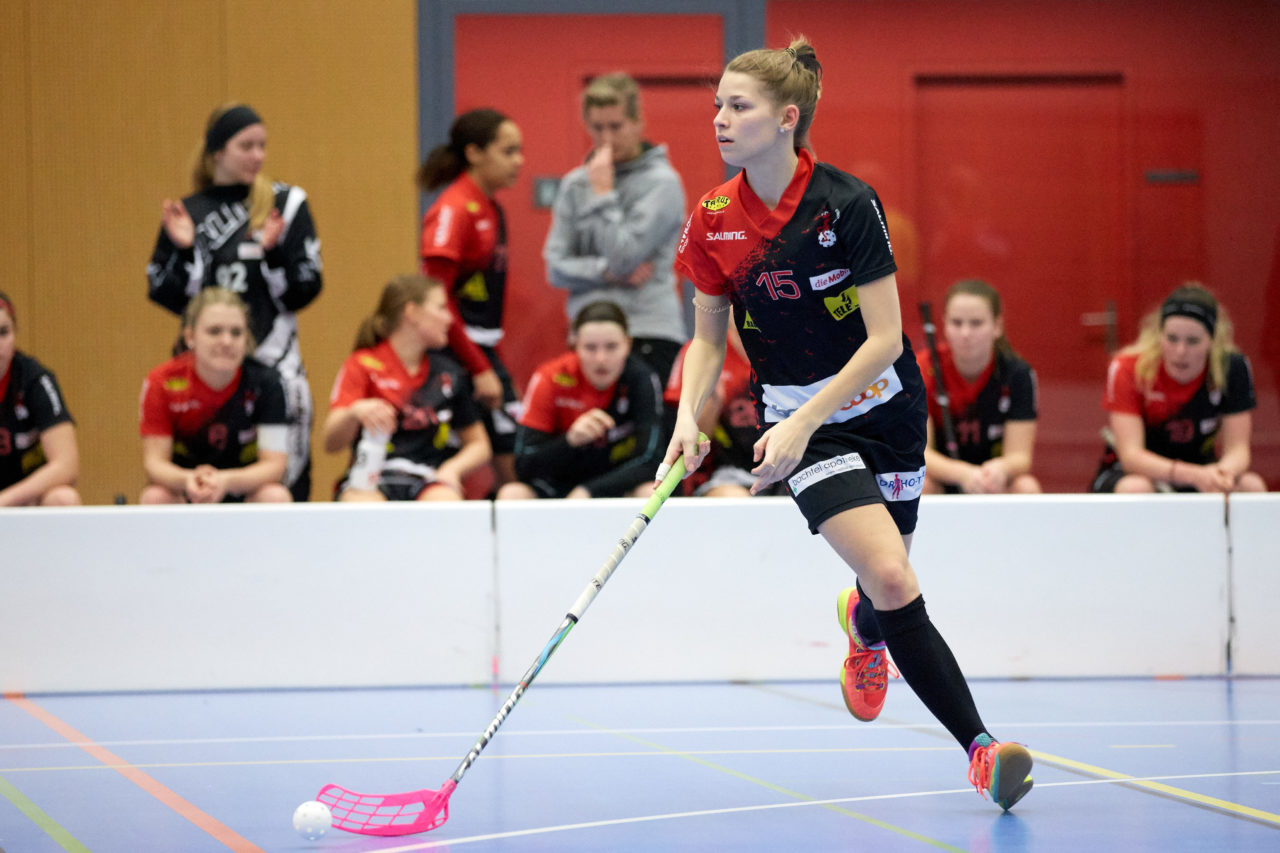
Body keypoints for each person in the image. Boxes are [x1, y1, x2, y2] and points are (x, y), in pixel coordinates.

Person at [660, 38, 1033, 810]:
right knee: (896, 574)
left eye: (740, 106)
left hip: (886, 410)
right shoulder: (715, 219)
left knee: (881, 582)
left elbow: (886, 340)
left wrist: (809, 418)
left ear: (786, 118)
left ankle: (862, 626)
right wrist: (689, 419)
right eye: (718, 105)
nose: (721, 120)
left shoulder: (848, 204)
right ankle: (982, 749)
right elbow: (706, 336)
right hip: (808, 426)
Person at [147, 103, 322, 502]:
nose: (258, 156)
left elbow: (306, 288)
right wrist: (188, 252)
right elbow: (164, 293)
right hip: (209, 365)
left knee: (281, 480)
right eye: (246, 146)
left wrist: (273, 255)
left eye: (262, 146)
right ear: (217, 152)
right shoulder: (188, 212)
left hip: (274, 361)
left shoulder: (286, 204)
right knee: (191, 475)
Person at [543, 72, 688, 385]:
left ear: (638, 123)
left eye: (616, 126)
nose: (607, 138)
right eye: (597, 128)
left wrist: (603, 195)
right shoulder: (575, 185)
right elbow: (555, 268)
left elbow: (624, 257)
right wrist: (603, 272)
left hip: (647, 331)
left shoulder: (662, 183)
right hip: (588, 334)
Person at [418, 108, 524, 493]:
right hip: (454, 355)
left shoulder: (491, 207)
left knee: (514, 452)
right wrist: (478, 367)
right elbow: (437, 298)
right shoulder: (454, 208)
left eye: (520, 151)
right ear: (475, 152)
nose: (519, 161)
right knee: (449, 459)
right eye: (508, 151)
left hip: (482, 350)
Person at [324, 274, 491, 501]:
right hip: (371, 478)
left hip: (427, 478)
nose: (449, 319)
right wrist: (355, 412)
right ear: (411, 312)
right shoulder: (362, 364)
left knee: (446, 503)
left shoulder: (448, 373)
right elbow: (331, 443)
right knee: (363, 507)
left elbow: (479, 445)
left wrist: (452, 469)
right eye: (441, 308)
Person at [1092, 282, 1266, 493]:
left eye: (1193, 341)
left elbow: (1238, 450)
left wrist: (1221, 474)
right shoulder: (1128, 367)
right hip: (1136, 472)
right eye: (1172, 338)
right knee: (1136, 488)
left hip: (1202, 467)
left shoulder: (1233, 367)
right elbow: (1131, 456)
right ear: (1159, 334)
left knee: (1251, 485)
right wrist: (1191, 475)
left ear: (1212, 340)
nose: (1180, 351)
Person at [498, 301, 664, 500]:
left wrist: (590, 490)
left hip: (614, 484)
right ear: (574, 345)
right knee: (512, 494)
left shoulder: (642, 379)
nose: (601, 358)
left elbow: (653, 459)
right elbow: (523, 465)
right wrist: (569, 441)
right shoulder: (550, 377)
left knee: (650, 491)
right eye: (590, 348)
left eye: (611, 347)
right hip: (560, 485)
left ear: (627, 345)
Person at [139, 289, 291, 504]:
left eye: (236, 332)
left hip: (241, 486)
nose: (227, 341)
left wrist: (226, 481)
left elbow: (275, 465)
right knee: (155, 497)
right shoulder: (162, 381)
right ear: (190, 336)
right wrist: (188, 480)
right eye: (215, 331)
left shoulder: (268, 383)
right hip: (187, 487)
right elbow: (154, 463)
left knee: (275, 496)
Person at [917, 279, 1041, 494]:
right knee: (921, 485)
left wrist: (1001, 469)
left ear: (997, 326)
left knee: (1026, 486)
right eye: (956, 323)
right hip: (944, 476)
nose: (965, 333)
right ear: (944, 325)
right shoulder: (924, 367)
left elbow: (1021, 457)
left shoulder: (1018, 374)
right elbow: (920, 452)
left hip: (992, 478)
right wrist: (962, 473)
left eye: (976, 323)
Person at [663, 324, 783, 497]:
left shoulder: (795, 347)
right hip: (724, 472)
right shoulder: (699, 352)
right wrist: (712, 403)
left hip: (790, 464)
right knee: (736, 500)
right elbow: (688, 445)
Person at [0, 291, 81, 507]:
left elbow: (67, 464)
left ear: (15, 333)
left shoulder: (35, 380)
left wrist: (4, 500)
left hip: (24, 497)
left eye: (3, 332)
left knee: (63, 498)